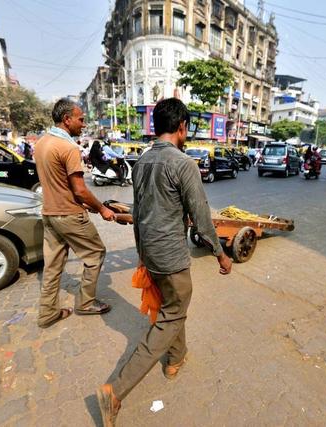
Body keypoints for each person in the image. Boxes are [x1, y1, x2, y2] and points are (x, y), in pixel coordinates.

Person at [96, 98, 233, 426]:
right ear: (182, 126)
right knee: (171, 317)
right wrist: (221, 253)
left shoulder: (142, 161)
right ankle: (114, 390)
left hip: (151, 254)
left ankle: (175, 358)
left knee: (174, 308)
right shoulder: (183, 163)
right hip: (171, 257)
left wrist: (143, 254)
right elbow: (201, 218)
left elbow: (141, 212)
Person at [33, 98, 116, 328]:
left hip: (50, 213)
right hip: (69, 215)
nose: (83, 124)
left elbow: (59, 184)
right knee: (96, 254)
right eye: (80, 119)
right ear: (67, 119)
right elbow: (79, 189)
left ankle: (47, 313)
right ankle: (86, 303)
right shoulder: (68, 148)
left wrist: (90, 204)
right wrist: (102, 209)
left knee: (52, 266)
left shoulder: (41, 143)